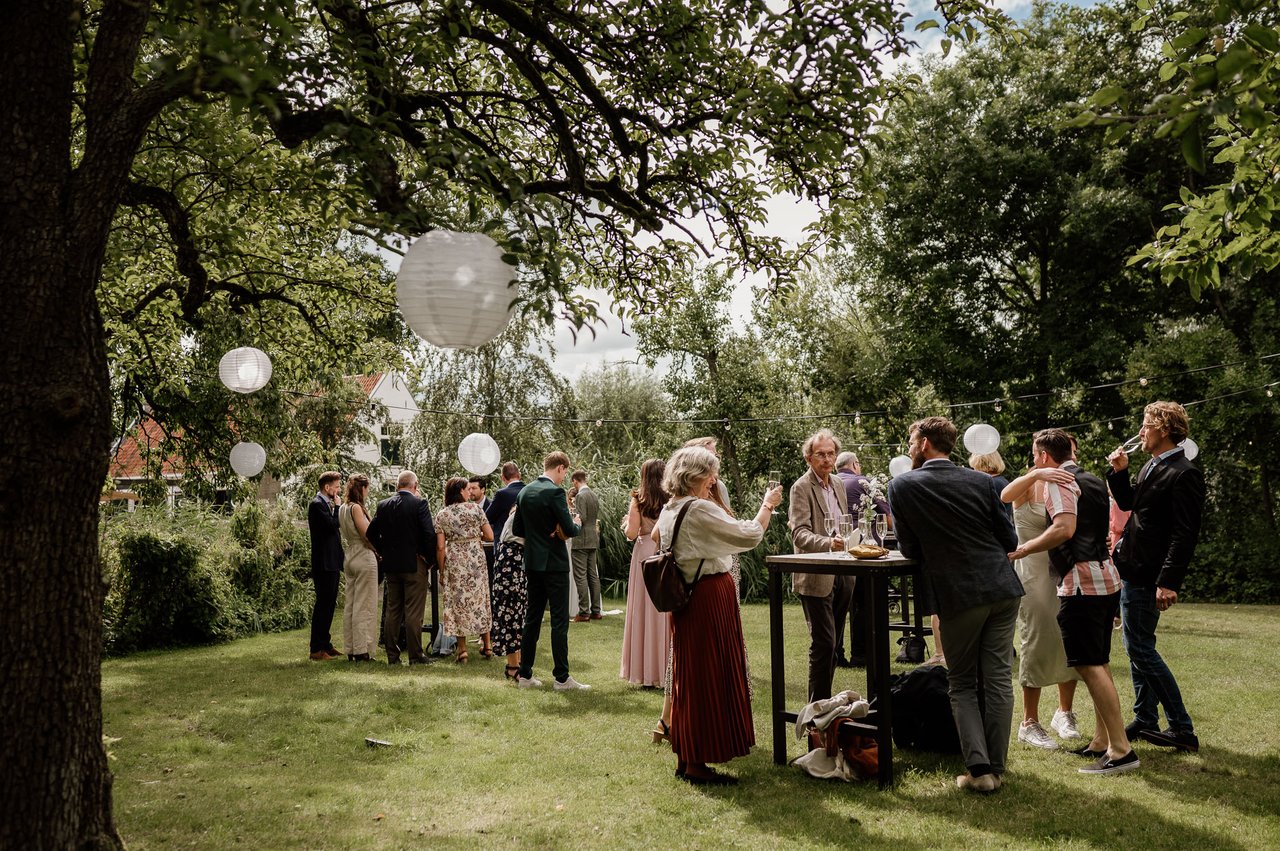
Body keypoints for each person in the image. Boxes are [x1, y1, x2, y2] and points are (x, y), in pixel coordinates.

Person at [887, 416, 1022, 794]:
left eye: (912, 440)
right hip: (1003, 587)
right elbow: (1009, 538)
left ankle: (980, 772)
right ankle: (996, 765)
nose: (910, 446)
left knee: (961, 681)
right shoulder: (982, 481)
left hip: (960, 593)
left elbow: (909, 548)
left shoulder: (901, 485)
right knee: (997, 678)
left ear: (926, 443)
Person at [1010, 429, 1138, 775]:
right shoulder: (1094, 479)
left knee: (1088, 666)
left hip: (1082, 581)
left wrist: (1022, 549)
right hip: (1107, 575)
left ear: (1043, 457)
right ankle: (1101, 740)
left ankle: (1121, 749)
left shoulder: (1060, 481)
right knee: (1100, 661)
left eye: (1037, 455)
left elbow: (1064, 529)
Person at [655, 445, 782, 785]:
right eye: (710, 473)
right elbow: (750, 535)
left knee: (690, 676)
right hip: (708, 596)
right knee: (707, 675)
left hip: (690, 598)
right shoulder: (696, 509)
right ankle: (695, 763)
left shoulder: (672, 507)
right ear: (695, 476)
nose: (714, 479)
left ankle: (688, 756)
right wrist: (767, 505)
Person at [1107, 401, 1205, 753]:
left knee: (1139, 648)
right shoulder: (1152, 465)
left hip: (1150, 573)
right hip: (1133, 567)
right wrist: (1119, 472)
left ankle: (1182, 727)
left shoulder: (1184, 472)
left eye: (1146, 425)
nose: (1141, 432)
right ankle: (1146, 717)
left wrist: (1168, 582)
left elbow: (1184, 534)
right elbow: (1134, 505)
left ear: (1164, 429)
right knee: (1138, 647)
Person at [1000, 462, 1082, 749]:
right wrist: (1035, 475)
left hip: (1066, 574)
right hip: (1033, 573)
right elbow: (1005, 496)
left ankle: (1065, 713)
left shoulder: (1069, 484)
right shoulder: (1027, 484)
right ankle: (1029, 722)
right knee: (1034, 640)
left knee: (1068, 640)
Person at [513, 451, 589, 690]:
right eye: (565, 472)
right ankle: (562, 678)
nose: (564, 477)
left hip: (533, 562)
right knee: (558, 621)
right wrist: (576, 523)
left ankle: (524, 675)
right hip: (554, 564)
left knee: (532, 619)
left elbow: (517, 528)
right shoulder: (555, 492)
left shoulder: (524, 491)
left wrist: (538, 533)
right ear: (560, 468)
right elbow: (568, 527)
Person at [787, 429, 850, 703]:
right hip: (815, 574)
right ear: (808, 458)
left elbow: (845, 523)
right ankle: (816, 709)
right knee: (823, 643)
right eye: (820, 454)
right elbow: (799, 533)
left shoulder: (837, 483)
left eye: (830, 453)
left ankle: (825, 706)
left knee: (834, 645)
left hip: (844, 572)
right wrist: (828, 543)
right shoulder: (800, 487)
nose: (826, 459)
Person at [366, 470, 437, 666]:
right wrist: (429, 559)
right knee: (414, 611)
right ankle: (415, 655)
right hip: (414, 565)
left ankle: (392, 656)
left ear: (398, 485)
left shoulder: (383, 505)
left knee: (393, 610)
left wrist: (383, 552)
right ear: (415, 485)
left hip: (391, 565)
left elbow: (371, 533)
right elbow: (429, 534)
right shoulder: (419, 503)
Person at [834, 450, 890, 668]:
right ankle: (861, 655)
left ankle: (837, 654)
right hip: (864, 550)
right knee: (864, 604)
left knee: (838, 604)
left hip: (837, 550)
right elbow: (888, 518)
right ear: (855, 464)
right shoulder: (864, 482)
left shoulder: (830, 483)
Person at [620, 459, 670, 695]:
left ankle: (646, 673)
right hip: (665, 552)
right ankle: (666, 670)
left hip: (644, 554)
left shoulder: (638, 499)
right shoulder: (671, 497)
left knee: (642, 609)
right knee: (664, 611)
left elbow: (631, 533)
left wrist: (626, 525)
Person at [435, 477, 495, 664]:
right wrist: (474, 535)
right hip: (475, 558)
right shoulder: (476, 509)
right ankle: (487, 645)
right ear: (460, 491)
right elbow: (490, 536)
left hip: (455, 560)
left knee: (457, 602)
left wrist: (442, 570)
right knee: (480, 598)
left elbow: (440, 547)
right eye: (467, 489)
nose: (470, 492)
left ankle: (462, 649)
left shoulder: (442, 514)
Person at [338, 473, 379, 662]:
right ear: (362, 488)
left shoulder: (342, 508)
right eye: (367, 488)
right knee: (365, 604)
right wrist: (379, 552)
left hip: (349, 555)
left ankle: (351, 648)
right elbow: (367, 534)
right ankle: (362, 649)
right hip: (363, 555)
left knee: (351, 605)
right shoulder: (356, 508)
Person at [307, 471, 344, 661]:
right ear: (327, 487)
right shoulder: (316, 505)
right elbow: (332, 525)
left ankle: (325, 644)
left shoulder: (324, 504)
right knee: (323, 605)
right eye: (336, 487)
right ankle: (316, 649)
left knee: (330, 605)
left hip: (332, 561)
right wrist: (337, 508)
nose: (339, 490)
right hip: (323, 563)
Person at [490, 504, 527, 681]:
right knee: (512, 613)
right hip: (512, 564)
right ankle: (513, 666)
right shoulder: (525, 514)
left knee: (516, 613)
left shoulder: (517, 512)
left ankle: (516, 663)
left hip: (510, 561)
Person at [570, 470, 602, 622]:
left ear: (576, 481)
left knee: (581, 576)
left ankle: (584, 612)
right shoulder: (594, 495)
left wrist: (570, 520)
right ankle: (596, 610)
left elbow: (580, 517)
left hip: (581, 539)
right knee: (593, 575)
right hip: (593, 538)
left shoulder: (580, 496)